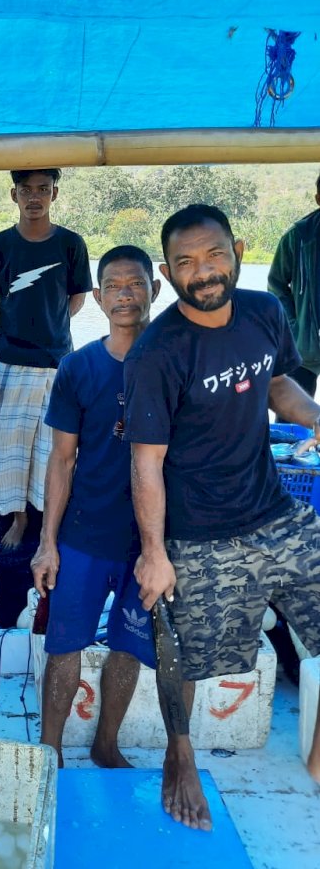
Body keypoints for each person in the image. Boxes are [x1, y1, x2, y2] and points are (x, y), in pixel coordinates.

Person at [124, 203, 320, 832]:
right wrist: (155, 553)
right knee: (186, 657)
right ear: (167, 270)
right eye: (185, 262)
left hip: (272, 509)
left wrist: (316, 418)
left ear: (237, 249)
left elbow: (278, 384)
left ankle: (318, 754)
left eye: (213, 256)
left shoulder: (266, 312)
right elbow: (146, 462)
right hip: (201, 532)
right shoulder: (157, 351)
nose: (202, 272)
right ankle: (179, 756)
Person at [30, 245, 159, 768]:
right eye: (113, 285)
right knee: (65, 646)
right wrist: (46, 543)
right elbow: (61, 461)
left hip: (147, 545)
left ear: (156, 288)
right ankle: (50, 749)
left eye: (135, 283)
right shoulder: (78, 367)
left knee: (128, 647)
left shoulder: (172, 364)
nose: (125, 294)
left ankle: (107, 745)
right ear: (99, 296)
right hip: (83, 535)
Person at [0, 168, 92, 547]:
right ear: (14, 195)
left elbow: (79, 295)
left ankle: (48, 524)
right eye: (26, 190)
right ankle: (19, 517)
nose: (34, 197)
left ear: (54, 194)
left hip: (57, 363)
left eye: (43, 189)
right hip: (9, 361)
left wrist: (53, 321)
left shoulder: (72, 244)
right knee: (10, 448)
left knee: (52, 448)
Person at [268, 172, 320, 398]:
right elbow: (276, 284)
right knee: (293, 415)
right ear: (318, 198)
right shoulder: (298, 236)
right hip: (305, 344)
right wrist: (294, 325)